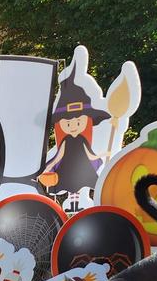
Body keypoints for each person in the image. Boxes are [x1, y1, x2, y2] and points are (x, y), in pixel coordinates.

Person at [41, 65, 110, 212]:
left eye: (78, 122)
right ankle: (71, 205)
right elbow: (59, 155)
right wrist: (48, 166)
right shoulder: (66, 141)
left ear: (87, 121)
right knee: (71, 186)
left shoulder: (82, 140)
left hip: (82, 166)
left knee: (80, 185)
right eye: (67, 123)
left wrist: (103, 154)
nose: (73, 126)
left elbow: (90, 154)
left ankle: (79, 203)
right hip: (67, 167)